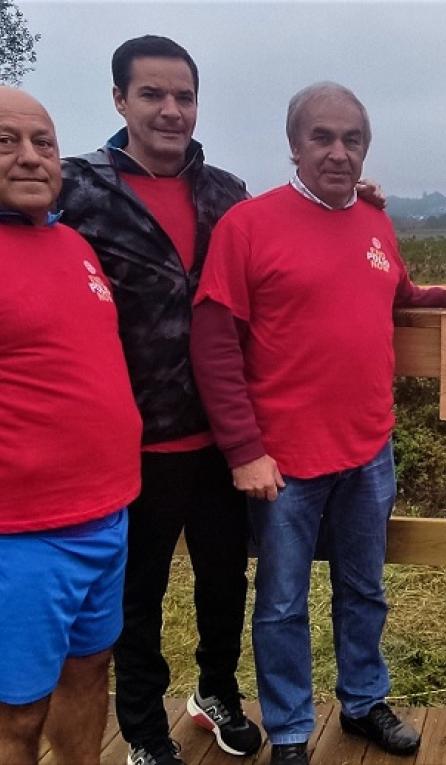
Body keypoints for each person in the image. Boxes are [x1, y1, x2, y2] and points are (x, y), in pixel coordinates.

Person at [190, 81, 446, 765]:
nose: (339, 153)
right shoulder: (248, 226)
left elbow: (397, 293)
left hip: (369, 449)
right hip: (283, 460)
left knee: (364, 588)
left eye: (353, 139)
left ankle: (364, 700)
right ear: (294, 144)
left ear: (366, 147)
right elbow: (214, 343)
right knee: (281, 603)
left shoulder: (373, 220)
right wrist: (244, 449)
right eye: (323, 138)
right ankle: (288, 730)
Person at [57, 35, 260, 765]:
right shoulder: (75, 187)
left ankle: (215, 692)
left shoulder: (227, 192)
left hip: (221, 432)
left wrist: (350, 199)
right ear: (120, 100)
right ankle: (142, 724)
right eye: (153, 94)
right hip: (126, 438)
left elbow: (279, 258)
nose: (171, 110)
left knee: (223, 579)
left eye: (184, 96)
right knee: (133, 596)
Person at [0, 86, 142, 765]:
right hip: (20, 536)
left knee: (88, 674)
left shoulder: (74, 244)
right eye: (6, 142)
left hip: (104, 517)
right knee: (15, 713)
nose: (30, 157)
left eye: (43, 143)